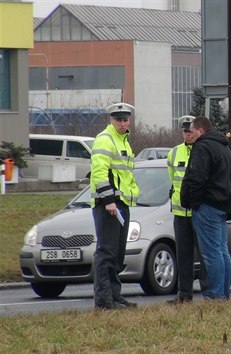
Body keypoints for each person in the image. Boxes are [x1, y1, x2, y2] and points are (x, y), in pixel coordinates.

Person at [181, 116, 231, 300]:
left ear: (201, 131)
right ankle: (223, 294)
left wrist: (194, 201)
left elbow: (197, 178)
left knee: (211, 254)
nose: (190, 134)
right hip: (222, 205)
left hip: (207, 206)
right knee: (222, 251)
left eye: (192, 130)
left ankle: (215, 296)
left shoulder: (202, 147)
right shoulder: (223, 147)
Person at [90, 102, 140, 310]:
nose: (122, 123)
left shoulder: (124, 140)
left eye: (125, 119)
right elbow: (99, 172)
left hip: (121, 203)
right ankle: (104, 300)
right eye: (119, 119)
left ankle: (114, 296)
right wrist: (108, 200)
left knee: (118, 254)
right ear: (111, 119)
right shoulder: (105, 138)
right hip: (108, 204)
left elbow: (124, 175)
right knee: (107, 252)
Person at [166, 115, 209, 304]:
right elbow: (173, 180)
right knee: (183, 256)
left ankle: (209, 293)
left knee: (206, 254)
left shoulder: (204, 151)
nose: (188, 135)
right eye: (185, 131)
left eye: (190, 131)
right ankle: (184, 295)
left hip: (199, 213)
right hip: (180, 214)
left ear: (197, 131)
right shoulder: (174, 153)